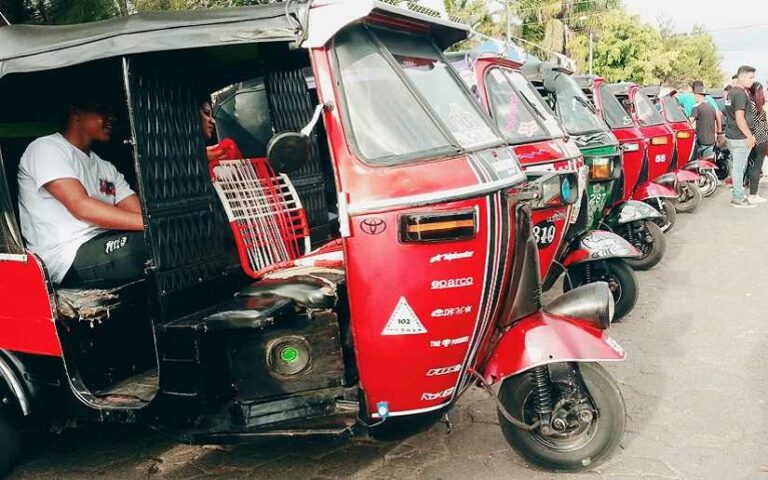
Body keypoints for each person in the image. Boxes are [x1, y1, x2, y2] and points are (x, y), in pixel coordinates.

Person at [17, 95, 148, 287]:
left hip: (103, 242)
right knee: (142, 247)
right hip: (65, 255)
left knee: (167, 240)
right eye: (103, 110)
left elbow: (138, 212)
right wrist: (153, 225)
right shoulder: (45, 148)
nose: (112, 117)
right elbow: (81, 206)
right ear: (75, 114)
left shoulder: (106, 167)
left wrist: (162, 225)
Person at [724, 65, 758, 208]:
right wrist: (750, 136)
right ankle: (738, 198)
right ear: (742, 76)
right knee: (739, 168)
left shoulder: (730, 92)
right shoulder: (740, 94)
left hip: (732, 135)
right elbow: (739, 118)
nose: (752, 80)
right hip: (739, 137)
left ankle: (738, 194)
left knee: (737, 167)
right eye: (750, 77)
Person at [746, 82, 768, 203]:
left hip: (751, 138)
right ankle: (753, 195)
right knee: (757, 166)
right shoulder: (760, 107)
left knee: (752, 164)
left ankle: (750, 189)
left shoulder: (749, 105)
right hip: (761, 139)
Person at [691, 84, 718, 161]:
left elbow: (690, 122)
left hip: (701, 140)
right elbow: (715, 122)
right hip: (711, 140)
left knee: (698, 163)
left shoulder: (696, 107)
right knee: (708, 162)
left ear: (697, 95)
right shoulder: (711, 107)